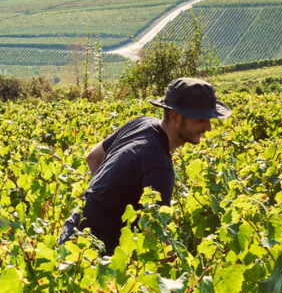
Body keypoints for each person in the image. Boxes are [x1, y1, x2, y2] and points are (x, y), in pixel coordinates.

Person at [58, 77, 231, 251]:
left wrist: (104, 200)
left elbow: (93, 157)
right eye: (201, 119)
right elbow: (153, 234)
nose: (209, 127)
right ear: (175, 116)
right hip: (94, 253)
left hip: (70, 234)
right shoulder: (159, 167)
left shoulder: (141, 123)